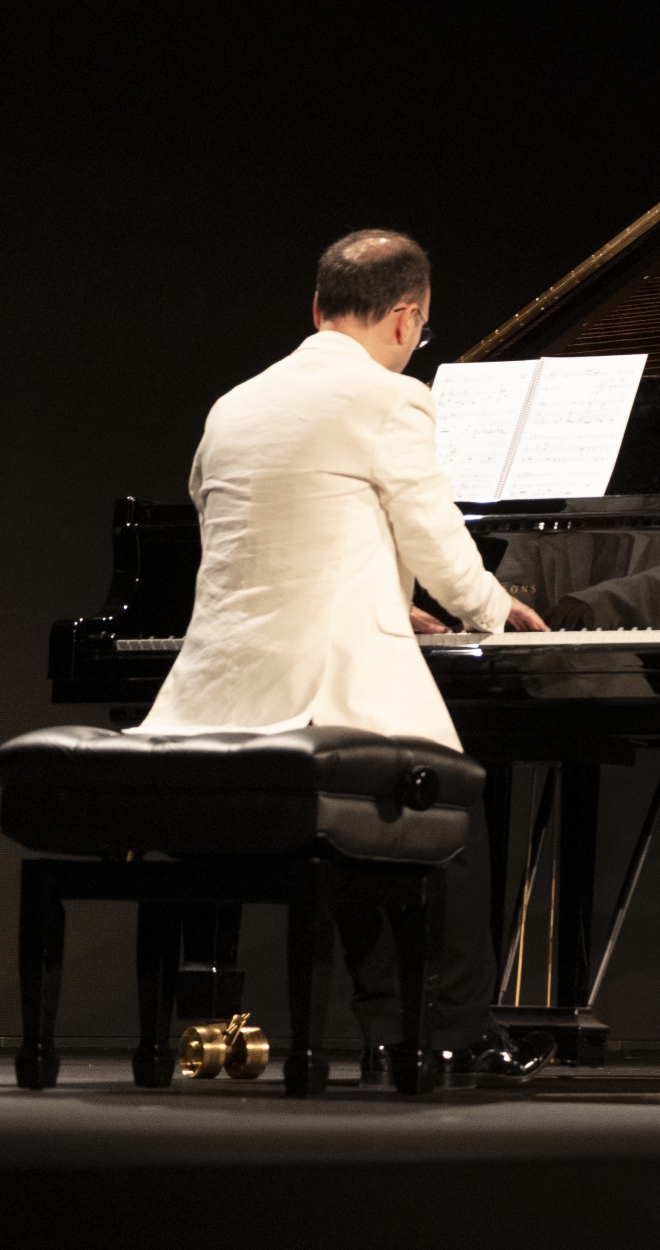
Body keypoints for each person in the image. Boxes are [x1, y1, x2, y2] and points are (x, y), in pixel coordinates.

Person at [139, 228, 553, 1078]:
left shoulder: (233, 404)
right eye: (421, 329)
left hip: (211, 697)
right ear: (405, 318)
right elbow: (438, 541)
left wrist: (387, 598)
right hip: (324, 690)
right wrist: (495, 608)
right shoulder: (390, 398)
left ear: (317, 308)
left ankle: (386, 1026)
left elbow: (251, 534)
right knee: (447, 808)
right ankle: (454, 1030)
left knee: (373, 804)